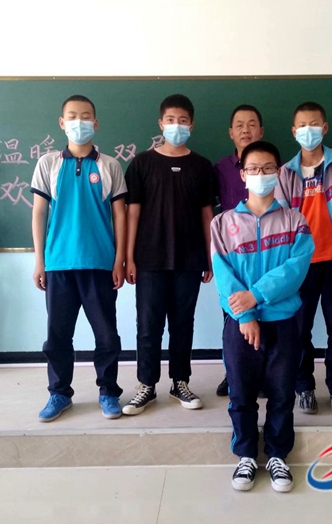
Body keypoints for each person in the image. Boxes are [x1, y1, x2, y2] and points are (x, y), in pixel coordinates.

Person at [211, 140, 314, 493]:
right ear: (242, 175)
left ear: (279, 172)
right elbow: (224, 277)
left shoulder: (295, 221)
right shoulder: (223, 223)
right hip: (240, 323)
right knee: (240, 392)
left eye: (268, 168)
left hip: (284, 320)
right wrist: (246, 315)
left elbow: (295, 270)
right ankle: (245, 454)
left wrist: (255, 295)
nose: (261, 174)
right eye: (253, 169)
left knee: (282, 391)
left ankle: (277, 455)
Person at [31, 94, 127, 422]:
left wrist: (119, 259)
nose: (79, 122)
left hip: (100, 263)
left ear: (96, 123)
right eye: (72, 116)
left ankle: (108, 391)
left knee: (107, 335)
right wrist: (40, 261)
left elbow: (120, 215)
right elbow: (39, 213)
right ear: (62, 123)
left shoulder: (110, 165)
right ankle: (59, 393)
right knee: (58, 336)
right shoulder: (48, 164)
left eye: (86, 116)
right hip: (58, 263)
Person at [123, 94, 216, 416]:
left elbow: (207, 215)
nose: (177, 126)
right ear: (161, 124)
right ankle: (146, 385)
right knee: (148, 325)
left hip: (189, 258)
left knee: (182, 324)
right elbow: (132, 213)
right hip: (149, 258)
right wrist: (129, 257)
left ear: (192, 125)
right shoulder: (142, 163)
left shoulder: (202, 166)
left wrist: (210, 256)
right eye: (171, 120)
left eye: (183, 120)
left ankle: (180, 382)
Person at [276, 102, 332, 416]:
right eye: (302, 125)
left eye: (314, 124)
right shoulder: (285, 173)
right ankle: (304, 386)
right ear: (293, 131)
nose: (308, 130)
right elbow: (282, 220)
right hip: (301, 265)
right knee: (299, 330)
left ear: (324, 128)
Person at [213, 104, 265, 397]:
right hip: (232, 255)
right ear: (231, 133)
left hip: (269, 251)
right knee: (232, 316)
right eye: (240, 125)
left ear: (261, 131)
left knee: (267, 313)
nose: (246, 130)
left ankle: (265, 374)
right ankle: (232, 374)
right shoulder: (219, 169)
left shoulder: (277, 168)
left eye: (252, 124)